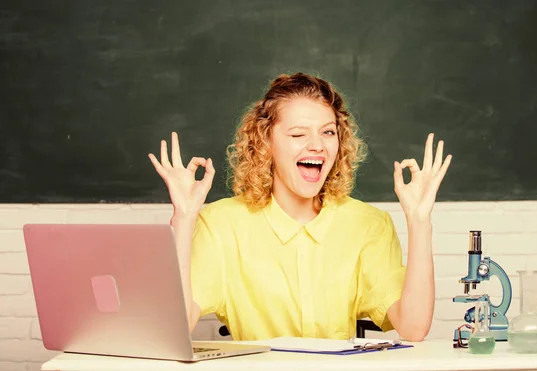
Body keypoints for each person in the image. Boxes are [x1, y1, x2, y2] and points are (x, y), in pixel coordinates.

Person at [148, 73, 452, 342]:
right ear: (265, 143)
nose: (317, 145)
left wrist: (419, 220)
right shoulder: (220, 225)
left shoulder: (369, 224)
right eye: (298, 134)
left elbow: (413, 328)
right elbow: (174, 329)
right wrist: (184, 220)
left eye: (328, 132)